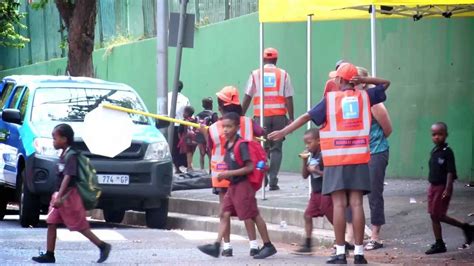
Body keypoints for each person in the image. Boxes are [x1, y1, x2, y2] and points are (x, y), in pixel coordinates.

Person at [268, 62, 391, 264]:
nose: (334, 80)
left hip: (336, 159)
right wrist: (365, 81)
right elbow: (386, 83)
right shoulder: (364, 97)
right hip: (359, 157)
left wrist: (283, 132)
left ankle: (341, 253)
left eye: (336, 77)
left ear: (341, 80)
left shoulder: (330, 100)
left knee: (340, 205)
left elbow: (306, 116)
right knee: (358, 204)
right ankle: (359, 254)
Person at [197, 112, 277, 259]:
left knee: (253, 215)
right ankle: (216, 245)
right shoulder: (228, 144)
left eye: (229, 126)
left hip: (243, 186)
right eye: (224, 127)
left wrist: (228, 173)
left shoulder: (241, 146)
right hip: (233, 186)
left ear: (237, 128)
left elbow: (249, 167)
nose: (226, 130)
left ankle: (268, 245)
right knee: (224, 213)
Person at [32, 124, 111, 264]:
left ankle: (103, 246)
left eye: (55, 138)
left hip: (69, 197)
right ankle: (50, 254)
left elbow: (69, 177)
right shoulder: (64, 153)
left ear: (64, 138)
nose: (53, 141)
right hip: (60, 196)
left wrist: (60, 196)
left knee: (80, 226)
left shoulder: (71, 155)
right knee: (51, 222)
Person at [205, 86, 264, 256]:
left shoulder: (214, 127)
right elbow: (261, 133)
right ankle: (253, 245)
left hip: (221, 175)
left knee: (225, 211)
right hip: (243, 174)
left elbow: (209, 148)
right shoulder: (248, 123)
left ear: (221, 106)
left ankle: (227, 247)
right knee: (248, 211)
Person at [242, 47, 295, 191]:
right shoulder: (283, 74)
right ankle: (273, 180)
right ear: (276, 60)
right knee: (277, 149)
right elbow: (289, 97)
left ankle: (263, 176)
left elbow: (248, 96)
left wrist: (240, 115)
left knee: (262, 149)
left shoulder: (255, 74)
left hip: (261, 117)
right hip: (279, 117)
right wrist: (291, 118)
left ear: (263, 59)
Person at [357, 66, 392, 251]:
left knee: (374, 194)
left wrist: (373, 143)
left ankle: (376, 236)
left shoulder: (374, 102)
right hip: (359, 154)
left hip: (376, 152)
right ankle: (356, 234)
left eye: (354, 81)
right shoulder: (354, 101)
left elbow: (388, 129)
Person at [425, 122, 474, 254]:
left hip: (442, 187)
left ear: (446, 135)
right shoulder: (434, 151)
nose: (436, 137)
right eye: (434, 134)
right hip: (433, 187)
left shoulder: (448, 152)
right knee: (434, 216)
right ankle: (465, 228)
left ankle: (441, 242)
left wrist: (447, 188)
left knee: (437, 215)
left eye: (440, 134)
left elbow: (450, 172)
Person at [296, 128, 333, 253]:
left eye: (309, 142)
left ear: (318, 141)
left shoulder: (324, 155)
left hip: (325, 192)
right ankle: (308, 243)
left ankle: (343, 242)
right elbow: (305, 175)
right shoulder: (312, 156)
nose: (307, 146)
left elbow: (330, 175)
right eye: (305, 143)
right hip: (315, 193)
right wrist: (304, 161)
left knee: (333, 218)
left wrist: (316, 171)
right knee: (307, 215)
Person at [168, 80, 191, 174]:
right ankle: (178, 166)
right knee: (179, 147)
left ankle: (175, 166)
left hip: (169, 125)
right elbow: (189, 112)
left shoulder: (167, 96)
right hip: (180, 126)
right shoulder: (185, 99)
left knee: (172, 147)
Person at [195, 97, 218, 171]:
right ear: (211, 105)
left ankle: (202, 170)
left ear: (202, 105)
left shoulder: (198, 115)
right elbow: (216, 125)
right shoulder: (213, 115)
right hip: (209, 136)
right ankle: (211, 170)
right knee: (210, 153)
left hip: (199, 136)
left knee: (202, 154)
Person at [178, 106, 198, 172]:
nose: (183, 114)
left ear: (187, 113)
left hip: (186, 139)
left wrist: (181, 139)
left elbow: (180, 131)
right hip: (194, 139)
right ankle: (190, 165)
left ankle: (189, 166)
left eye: (184, 112)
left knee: (188, 153)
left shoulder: (184, 121)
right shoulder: (195, 120)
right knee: (191, 152)